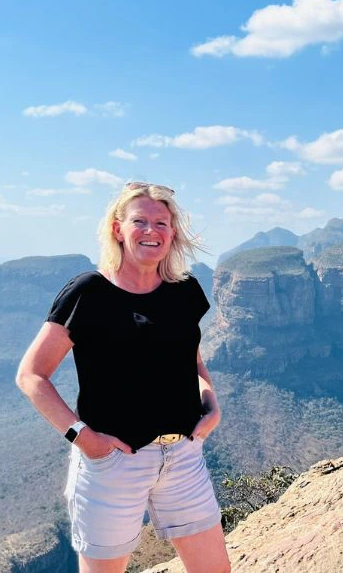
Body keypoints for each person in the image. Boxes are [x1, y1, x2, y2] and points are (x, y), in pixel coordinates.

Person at [16, 182, 230, 573]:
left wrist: (210, 400)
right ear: (118, 229)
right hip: (113, 464)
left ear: (172, 232)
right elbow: (31, 375)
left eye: (161, 222)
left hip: (183, 455)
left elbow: (190, 357)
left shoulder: (185, 292)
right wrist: (84, 438)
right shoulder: (88, 292)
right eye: (140, 221)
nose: (152, 231)